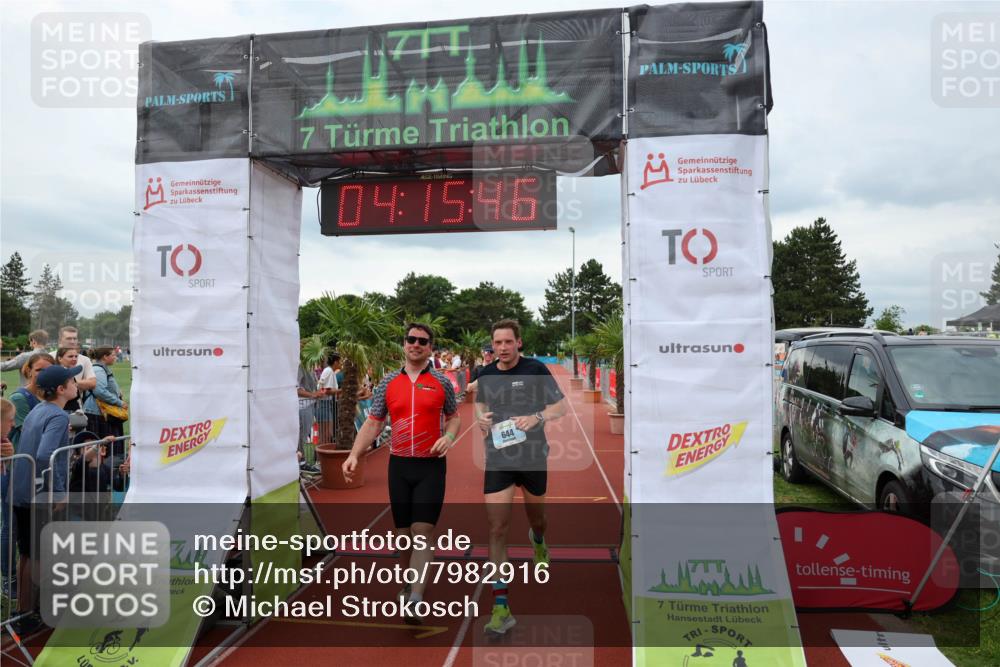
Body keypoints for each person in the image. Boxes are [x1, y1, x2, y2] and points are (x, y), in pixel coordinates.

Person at [342, 323, 461, 624]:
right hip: (399, 466)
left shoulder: (441, 382)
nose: (416, 344)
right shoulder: (387, 383)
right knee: (404, 536)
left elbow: (454, 417)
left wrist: (448, 437)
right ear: (404, 344)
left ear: (430, 347)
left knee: (422, 533)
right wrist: (354, 454)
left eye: (423, 341)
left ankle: (416, 600)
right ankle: (408, 584)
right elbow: (373, 422)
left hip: (430, 466)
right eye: (411, 339)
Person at [475, 319, 568, 635]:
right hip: (498, 457)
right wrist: (482, 421)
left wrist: (537, 417)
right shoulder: (485, 374)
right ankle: (501, 606)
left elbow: (560, 408)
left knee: (536, 518)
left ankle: (538, 541)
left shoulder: (536, 370)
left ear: (518, 343)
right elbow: (480, 407)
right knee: (497, 528)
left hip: (532, 457)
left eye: (507, 342)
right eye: (497, 343)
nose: (502, 348)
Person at [11, 363, 81, 634]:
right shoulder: (58, 416)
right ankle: (33, 610)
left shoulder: (39, 409)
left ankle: (24, 610)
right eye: (72, 381)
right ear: (61, 389)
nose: (77, 384)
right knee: (39, 553)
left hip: (22, 490)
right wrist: (57, 490)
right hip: (38, 493)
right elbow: (45, 455)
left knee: (27, 552)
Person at [83, 347, 127, 446]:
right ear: (105, 357)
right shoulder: (98, 370)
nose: (115, 357)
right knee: (104, 447)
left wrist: (117, 392)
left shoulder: (101, 369)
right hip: (97, 412)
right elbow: (99, 391)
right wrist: (119, 402)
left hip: (102, 412)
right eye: (113, 355)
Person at [54, 326, 98, 395]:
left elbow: (93, 383)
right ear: (60, 340)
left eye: (75, 338)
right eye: (68, 338)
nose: (72, 341)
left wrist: (71, 383)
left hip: (76, 403)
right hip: (53, 403)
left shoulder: (85, 359)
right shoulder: (50, 356)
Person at [316, 354, 342, 445]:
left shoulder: (330, 371)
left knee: (326, 435)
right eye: (340, 362)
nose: (341, 364)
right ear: (335, 362)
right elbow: (327, 390)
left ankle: (319, 457)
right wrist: (342, 390)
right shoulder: (329, 371)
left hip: (326, 404)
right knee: (325, 436)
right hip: (324, 404)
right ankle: (319, 458)